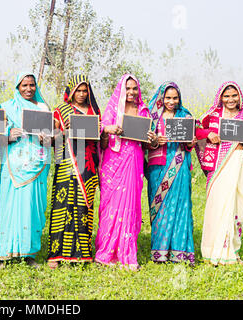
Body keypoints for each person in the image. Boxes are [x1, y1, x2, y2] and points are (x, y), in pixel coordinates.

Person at [94, 74, 157, 271]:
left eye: (134, 89)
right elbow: (102, 141)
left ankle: (126, 253)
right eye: (127, 88)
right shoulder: (113, 109)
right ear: (121, 89)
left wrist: (152, 138)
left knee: (130, 204)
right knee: (109, 204)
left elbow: (149, 145)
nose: (131, 92)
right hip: (113, 163)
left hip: (134, 161)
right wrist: (107, 130)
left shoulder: (144, 111)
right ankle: (106, 251)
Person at [195, 81, 243, 266]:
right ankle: (212, 251)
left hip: (239, 164)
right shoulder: (213, 115)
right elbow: (196, 128)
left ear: (239, 97)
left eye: (234, 95)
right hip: (219, 168)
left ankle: (232, 251)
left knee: (237, 205)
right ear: (221, 98)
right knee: (217, 205)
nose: (230, 99)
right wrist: (207, 134)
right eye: (227, 96)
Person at [0, 72, 51, 269]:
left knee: (32, 208)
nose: (28, 89)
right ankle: (4, 254)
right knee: (9, 206)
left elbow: (54, 139)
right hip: (13, 166)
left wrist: (48, 139)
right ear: (17, 86)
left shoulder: (43, 108)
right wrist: (9, 134)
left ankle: (30, 253)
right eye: (24, 85)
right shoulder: (6, 107)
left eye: (32, 85)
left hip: (37, 166)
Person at [47, 75, 101, 269]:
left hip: (87, 165)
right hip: (66, 162)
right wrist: (63, 130)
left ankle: (82, 253)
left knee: (83, 207)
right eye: (78, 90)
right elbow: (51, 139)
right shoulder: (60, 111)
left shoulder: (95, 112)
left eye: (85, 90)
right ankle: (57, 253)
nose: (81, 94)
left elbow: (100, 142)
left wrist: (102, 130)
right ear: (70, 91)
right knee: (63, 205)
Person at [145, 81, 196, 265]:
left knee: (181, 205)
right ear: (161, 97)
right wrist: (155, 141)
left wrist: (191, 141)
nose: (171, 101)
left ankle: (180, 251)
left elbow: (190, 145)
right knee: (161, 207)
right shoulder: (152, 117)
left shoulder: (186, 116)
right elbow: (145, 145)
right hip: (158, 167)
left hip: (179, 165)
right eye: (168, 98)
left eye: (175, 98)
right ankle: (160, 251)